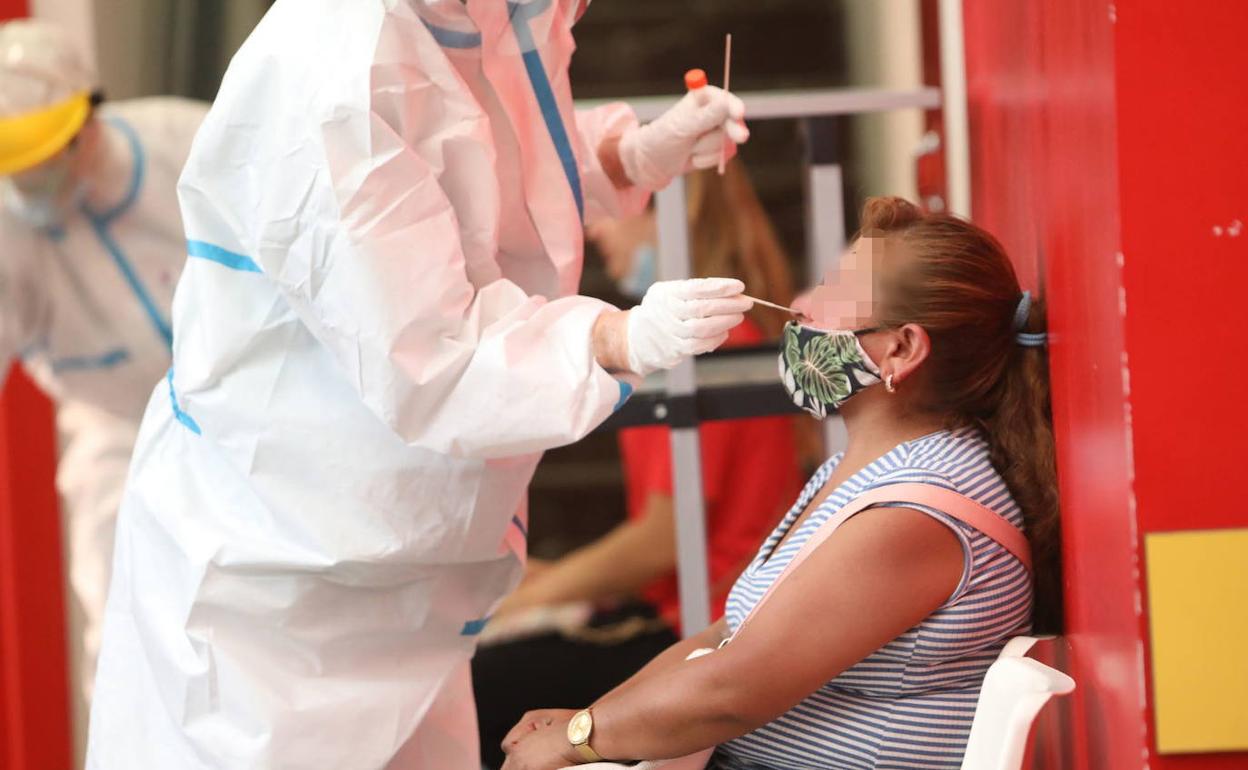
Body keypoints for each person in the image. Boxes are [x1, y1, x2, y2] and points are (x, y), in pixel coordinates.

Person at [85, 1, 755, 768]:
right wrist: (614, 336)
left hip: (408, 573)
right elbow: (431, 353)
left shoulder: (478, 15)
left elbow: (494, 167)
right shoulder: (338, 74)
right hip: (273, 583)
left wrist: (629, 156)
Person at [497, 195, 1061, 770]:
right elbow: (724, 638)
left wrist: (578, 739)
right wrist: (584, 724)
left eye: (829, 294)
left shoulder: (920, 510)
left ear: (902, 348)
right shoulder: (870, 472)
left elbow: (731, 690)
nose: (799, 305)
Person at [472, 161, 805, 770]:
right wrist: (535, 583)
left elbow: (659, 542)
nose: (595, 235)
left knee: (476, 688)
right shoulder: (722, 346)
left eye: (606, 216)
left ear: (664, 217)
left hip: (696, 635)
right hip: (688, 618)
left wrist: (524, 603)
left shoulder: (712, 355)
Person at [0, 19, 208, 714]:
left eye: (43, 153)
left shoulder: (182, 139)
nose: (31, 176)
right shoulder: (9, 228)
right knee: (122, 609)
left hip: (257, 404)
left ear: (88, 116)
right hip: (116, 422)